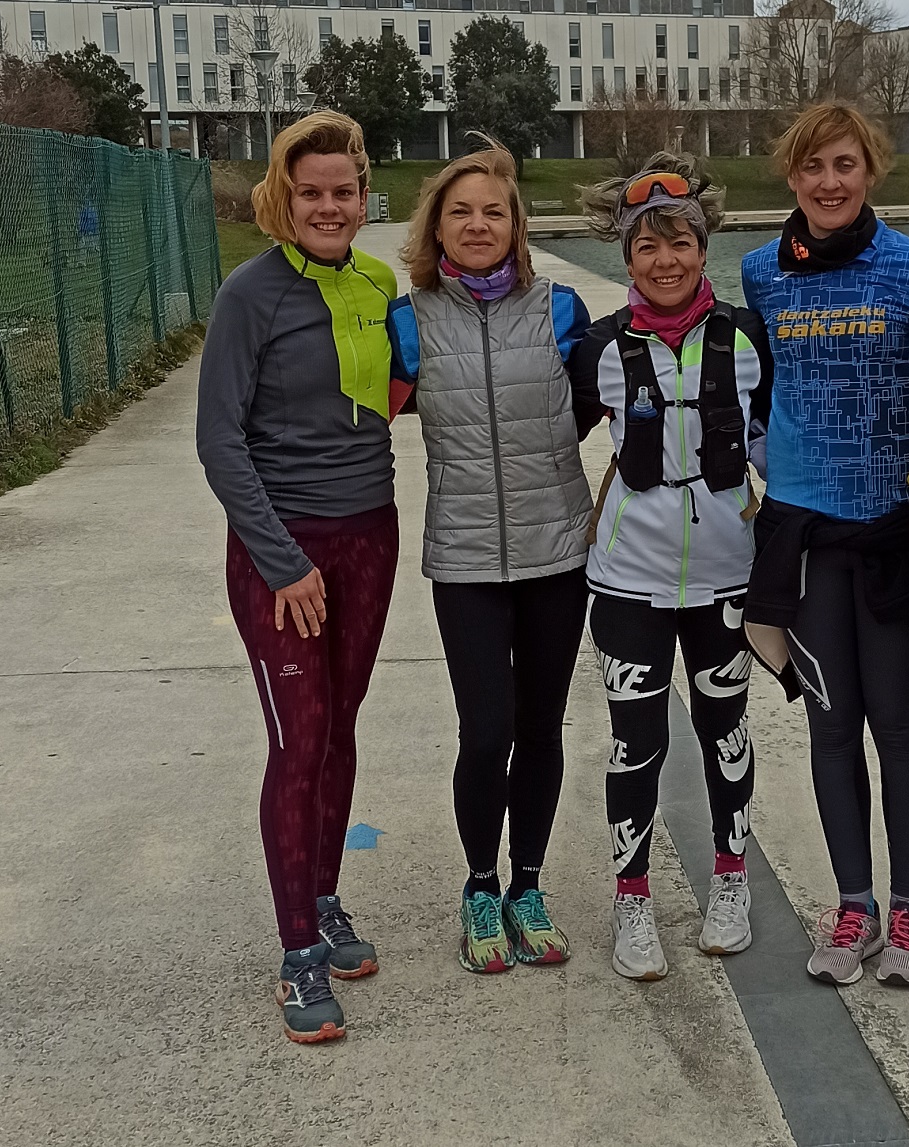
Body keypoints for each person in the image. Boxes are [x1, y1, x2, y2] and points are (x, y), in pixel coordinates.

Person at [196, 111, 400, 1044]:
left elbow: (393, 399)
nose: (327, 205)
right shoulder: (250, 294)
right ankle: (295, 954)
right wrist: (284, 562)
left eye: (342, 190)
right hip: (284, 552)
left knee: (341, 732)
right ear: (284, 197)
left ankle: (323, 898)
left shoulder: (376, 279)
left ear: (363, 196)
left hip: (371, 534)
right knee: (298, 739)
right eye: (309, 191)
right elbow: (219, 440)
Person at [740, 103, 909, 989]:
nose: (829, 182)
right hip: (806, 535)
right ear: (791, 177)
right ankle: (853, 902)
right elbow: (759, 393)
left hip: (896, 537)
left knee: (899, 727)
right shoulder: (760, 273)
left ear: (871, 171)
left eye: (845, 164)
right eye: (812, 167)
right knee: (831, 726)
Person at [387, 139, 600, 975]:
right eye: (461, 210)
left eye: (494, 211)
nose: (478, 224)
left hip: (557, 552)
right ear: (436, 223)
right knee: (486, 731)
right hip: (466, 557)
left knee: (542, 727)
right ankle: (480, 885)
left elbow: (591, 406)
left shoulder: (560, 310)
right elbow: (358, 416)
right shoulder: (407, 321)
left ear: (517, 226)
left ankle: (528, 884)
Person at [571, 157, 774, 980]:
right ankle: (631, 897)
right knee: (634, 745)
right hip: (629, 579)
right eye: (648, 246)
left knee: (726, 733)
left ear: (703, 247)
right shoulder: (599, 349)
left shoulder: (746, 336)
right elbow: (545, 444)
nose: (665, 260)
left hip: (727, 575)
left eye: (680, 242)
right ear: (626, 258)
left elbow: (775, 453)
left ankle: (731, 882)